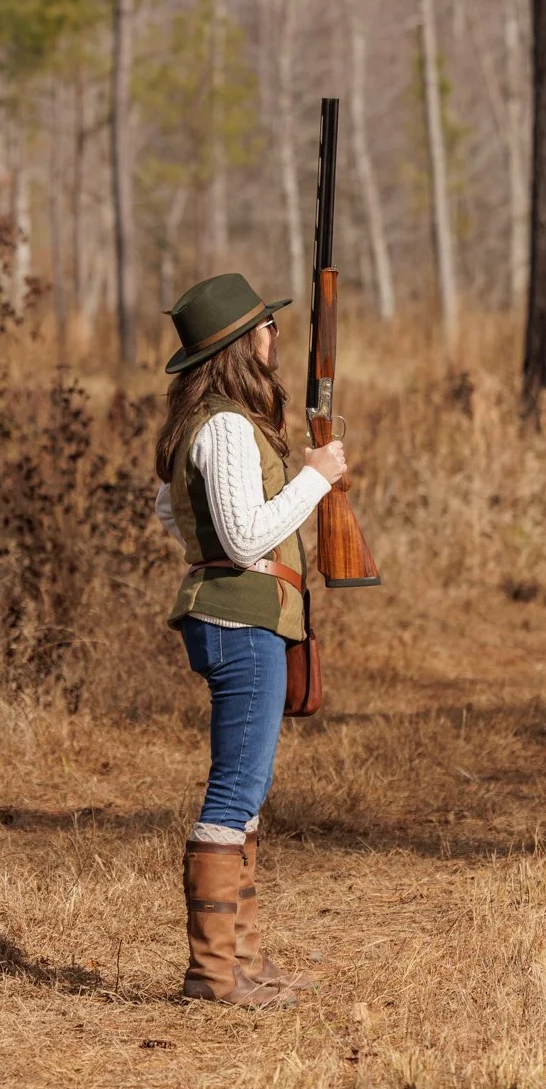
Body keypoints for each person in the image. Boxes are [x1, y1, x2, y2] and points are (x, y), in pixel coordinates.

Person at [152, 273, 346, 1009]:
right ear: (239, 343)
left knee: (248, 792)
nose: (275, 337)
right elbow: (241, 535)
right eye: (265, 327)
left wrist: (212, 550)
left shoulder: (205, 420)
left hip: (234, 614)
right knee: (235, 791)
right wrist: (315, 478)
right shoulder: (227, 423)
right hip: (241, 619)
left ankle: (244, 963)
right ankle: (214, 973)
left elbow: (171, 508)